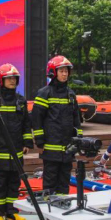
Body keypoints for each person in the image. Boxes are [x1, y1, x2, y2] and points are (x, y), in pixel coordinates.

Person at [0, 63, 33, 220]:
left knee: (14, 182)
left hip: (17, 150)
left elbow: (26, 123)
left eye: (14, 78)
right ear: (1, 80)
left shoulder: (20, 100)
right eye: (8, 78)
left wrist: (27, 142)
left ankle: (11, 212)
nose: (12, 81)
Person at [32, 56, 83, 195]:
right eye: (61, 71)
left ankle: (63, 203)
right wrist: (40, 140)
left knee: (64, 179)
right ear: (53, 72)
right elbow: (37, 118)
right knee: (50, 179)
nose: (65, 74)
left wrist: (79, 137)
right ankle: (49, 206)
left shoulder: (71, 94)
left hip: (67, 147)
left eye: (66, 71)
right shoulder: (44, 93)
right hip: (51, 146)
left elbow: (76, 118)